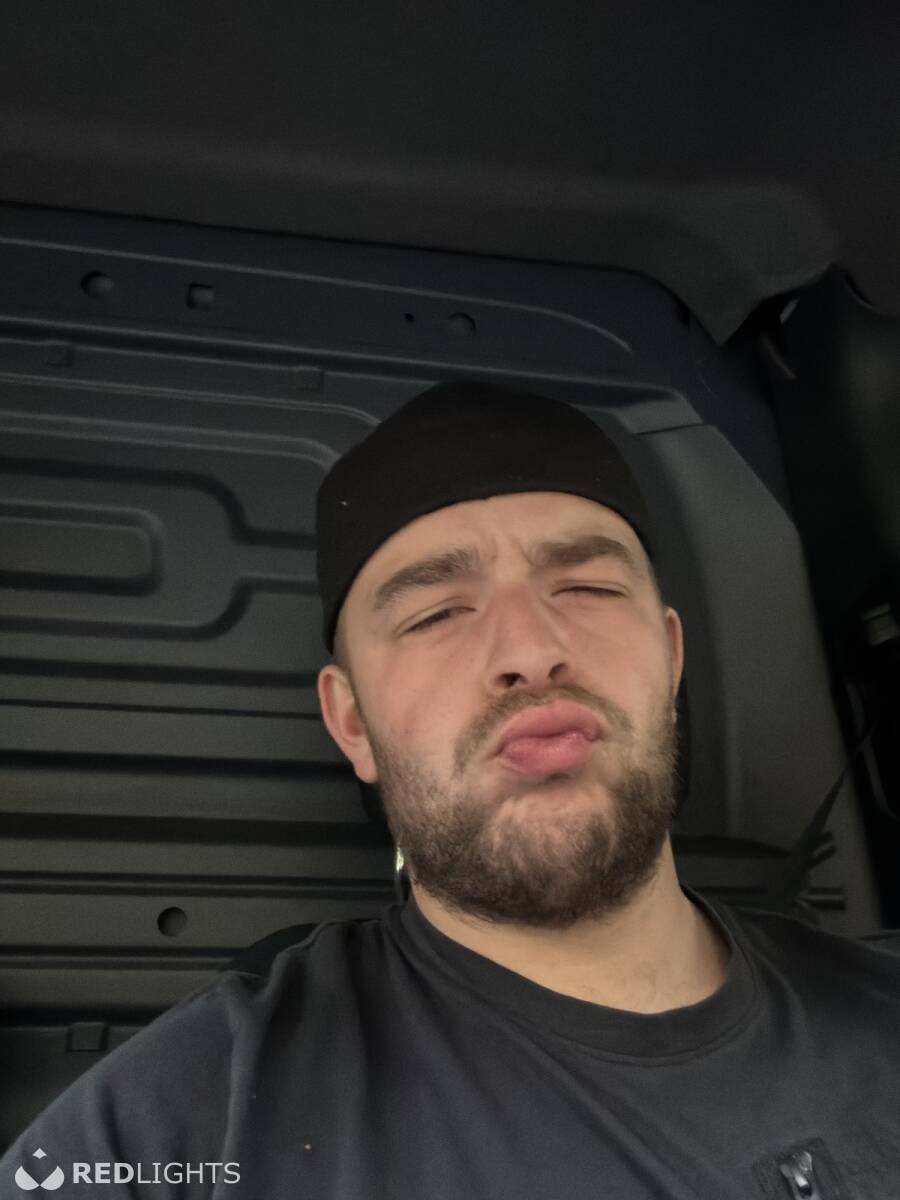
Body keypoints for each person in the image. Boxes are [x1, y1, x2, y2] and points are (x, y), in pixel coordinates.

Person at [2, 380, 899, 1199]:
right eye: (436, 613)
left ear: (670, 659)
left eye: (587, 586)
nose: (530, 651)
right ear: (352, 722)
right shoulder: (180, 1128)